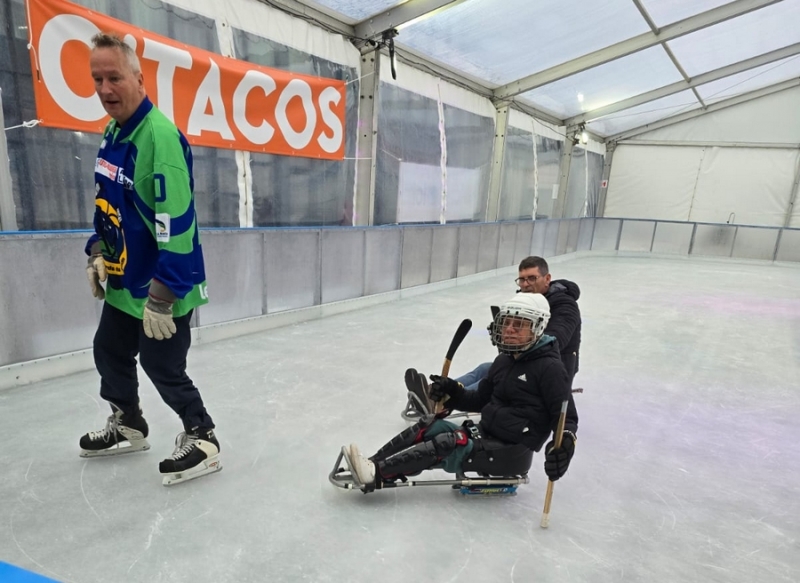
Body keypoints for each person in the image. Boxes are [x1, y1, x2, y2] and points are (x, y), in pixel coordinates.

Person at [79, 33, 220, 485]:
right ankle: (130, 424)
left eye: (114, 78)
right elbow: (110, 201)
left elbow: (176, 223)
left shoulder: (159, 139)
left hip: (162, 284)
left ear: (139, 78)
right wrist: (98, 250)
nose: (105, 89)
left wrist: (162, 296)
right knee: (109, 351)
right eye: (97, 79)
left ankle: (203, 436)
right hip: (126, 280)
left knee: (162, 365)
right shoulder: (114, 130)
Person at [349, 294, 578, 491]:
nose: (509, 329)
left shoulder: (550, 368)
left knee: (448, 441)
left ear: (537, 328)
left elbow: (567, 418)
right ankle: (373, 462)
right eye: (507, 322)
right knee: (432, 423)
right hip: (488, 433)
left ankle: (376, 474)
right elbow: (479, 400)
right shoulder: (503, 361)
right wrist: (453, 391)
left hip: (511, 450)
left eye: (518, 324)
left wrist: (564, 446)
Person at [403, 255, 582, 419]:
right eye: (522, 279)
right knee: (485, 369)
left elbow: (555, 339)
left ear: (547, 279)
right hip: (526, 361)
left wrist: (517, 341)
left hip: (552, 369)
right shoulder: (524, 301)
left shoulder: (565, 305)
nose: (525, 284)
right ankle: (434, 392)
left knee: (499, 378)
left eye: (532, 278)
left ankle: (441, 400)